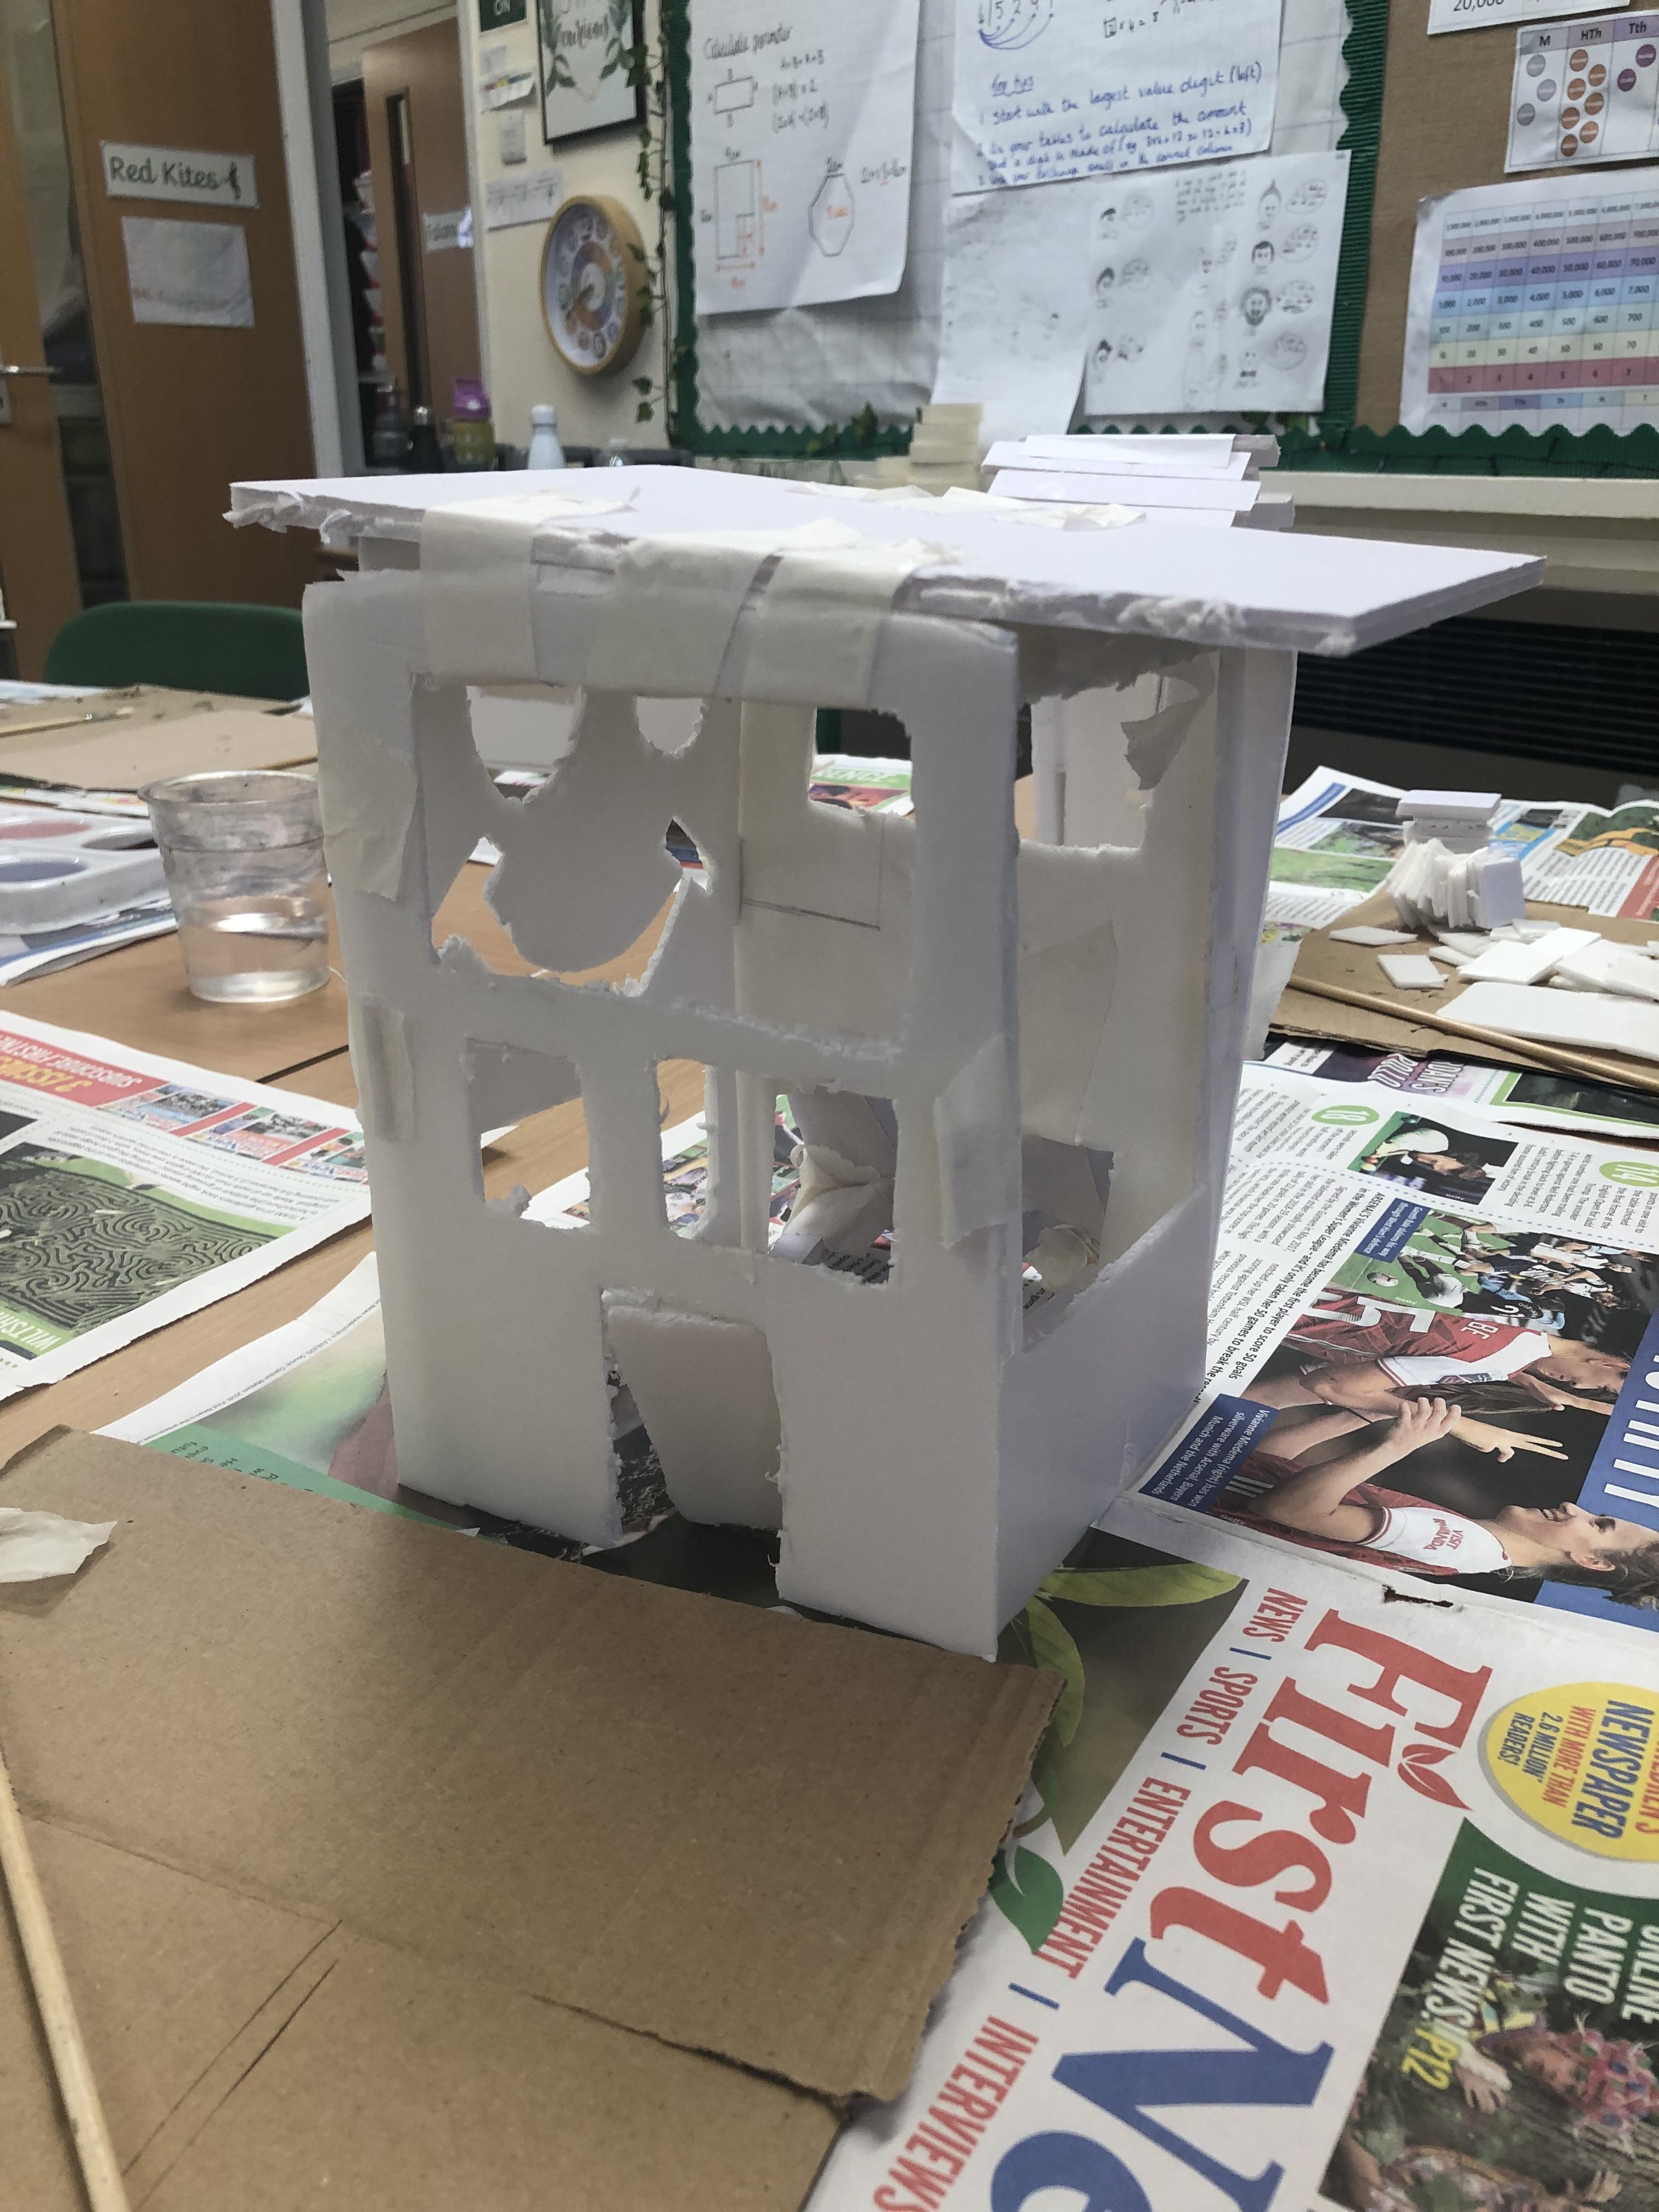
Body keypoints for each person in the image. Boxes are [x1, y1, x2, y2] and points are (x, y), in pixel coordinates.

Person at [1217, 1400, 1659, 1601]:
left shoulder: (1461, 1544)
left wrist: (1397, 1444)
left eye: (1598, 1525)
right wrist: (1366, 1411)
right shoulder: (1474, 1546)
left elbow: (1284, 1509)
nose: (1573, 1507)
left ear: (1591, 1561)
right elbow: (1269, 1472)